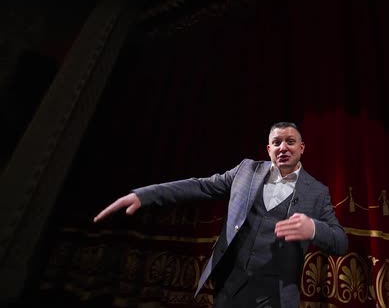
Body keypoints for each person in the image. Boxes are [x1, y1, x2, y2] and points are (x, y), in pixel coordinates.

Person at [94, 122, 348, 308]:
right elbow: (199, 185)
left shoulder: (316, 191)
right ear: (268, 149)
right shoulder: (246, 170)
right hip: (230, 285)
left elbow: (340, 241)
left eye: (290, 142)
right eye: (277, 142)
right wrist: (145, 195)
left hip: (276, 295)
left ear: (302, 148)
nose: (283, 147)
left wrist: (313, 228)